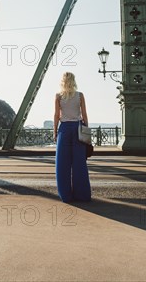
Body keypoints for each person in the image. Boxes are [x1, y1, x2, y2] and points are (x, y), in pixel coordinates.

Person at [53, 72, 91, 203]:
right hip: (78, 129)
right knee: (79, 163)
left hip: (64, 130)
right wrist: (87, 132)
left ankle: (66, 196)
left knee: (62, 164)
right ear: (73, 80)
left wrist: (55, 132)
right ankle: (82, 195)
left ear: (62, 81)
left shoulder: (58, 96)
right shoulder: (80, 95)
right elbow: (85, 115)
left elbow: (56, 116)